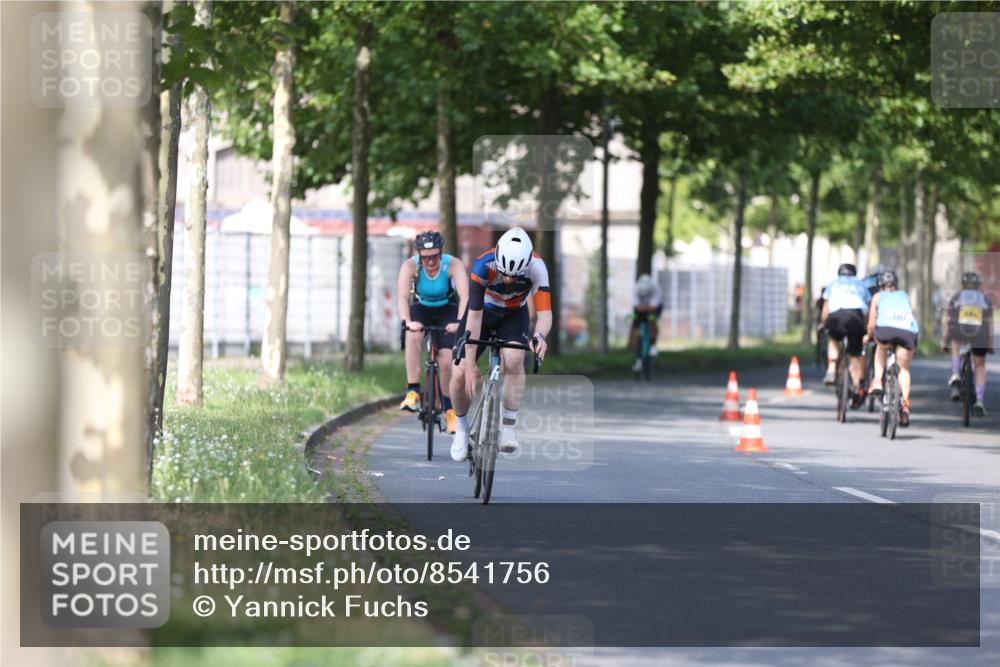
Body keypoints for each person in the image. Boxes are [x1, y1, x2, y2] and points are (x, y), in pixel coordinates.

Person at [449, 227, 551, 462]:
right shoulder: (482, 266)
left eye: (514, 276)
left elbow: (545, 314)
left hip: (514, 315)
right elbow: (473, 317)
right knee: (460, 370)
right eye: (505, 273)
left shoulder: (537, 267)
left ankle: (508, 428)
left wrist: (540, 336)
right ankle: (462, 432)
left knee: (515, 359)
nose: (508, 280)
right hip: (482, 314)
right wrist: (472, 364)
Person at [397, 230, 468, 433]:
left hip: (448, 310)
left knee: (446, 360)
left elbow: (465, 296)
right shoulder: (411, 266)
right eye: (425, 258)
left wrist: (460, 322)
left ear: (441, 253)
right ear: (419, 256)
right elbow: (402, 297)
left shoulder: (452, 265)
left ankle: (450, 411)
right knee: (412, 336)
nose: (430, 262)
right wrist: (407, 321)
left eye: (434, 257)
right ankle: (413, 393)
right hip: (422, 308)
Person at [865, 270, 919, 427]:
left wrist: (868, 336)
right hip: (907, 332)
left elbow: (871, 324)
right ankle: (906, 405)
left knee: (881, 348)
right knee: (904, 369)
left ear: (880, 286)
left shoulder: (877, 297)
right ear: (895, 285)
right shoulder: (904, 296)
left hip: (885, 330)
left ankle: (876, 381)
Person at [944, 271, 994, 416]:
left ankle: (955, 374)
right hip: (980, 335)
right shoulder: (985, 299)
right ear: (979, 285)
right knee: (980, 365)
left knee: (955, 343)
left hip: (960, 331)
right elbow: (989, 324)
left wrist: (944, 340)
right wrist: (990, 343)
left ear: (963, 285)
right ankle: (979, 399)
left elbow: (948, 321)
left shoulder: (957, 297)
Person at [820, 263, 871, 398]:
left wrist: (823, 324)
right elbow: (867, 310)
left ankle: (831, 369)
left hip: (836, 316)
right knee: (854, 355)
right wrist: (865, 328)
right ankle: (855, 384)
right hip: (856, 316)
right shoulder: (861, 284)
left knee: (833, 339)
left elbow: (826, 309)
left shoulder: (833, 284)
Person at [629, 273, 662, 372]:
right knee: (636, 325)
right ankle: (637, 348)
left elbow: (654, 307)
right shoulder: (635, 289)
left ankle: (653, 344)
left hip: (654, 308)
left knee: (652, 321)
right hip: (642, 308)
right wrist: (644, 308)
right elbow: (637, 306)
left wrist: (646, 308)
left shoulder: (657, 289)